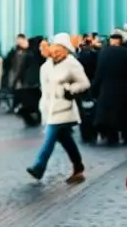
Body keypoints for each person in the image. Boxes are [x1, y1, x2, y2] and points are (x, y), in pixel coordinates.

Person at [27, 33, 91, 183]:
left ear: (66, 50)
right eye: (55, 48)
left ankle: (39, 167)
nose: (56, 52)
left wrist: (69, 89)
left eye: (60, 49)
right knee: (66, 139)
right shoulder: (46, 65)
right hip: (48, 108)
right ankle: (78, 166)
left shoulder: (72, 63)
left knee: (50, 136)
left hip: (64, 107)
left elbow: (84, 83)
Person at [91, 32, 127, 145]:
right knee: (126, 113)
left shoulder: (104, 53)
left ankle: (112, 138)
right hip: (126, 89)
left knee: (109, 115)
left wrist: (94, 88)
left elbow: (99, 72)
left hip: (107, 88)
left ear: (111, 41)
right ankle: (126, 136)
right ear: (121, 41)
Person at [15, 36, 45, 126]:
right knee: (36, 103)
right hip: (36, 83)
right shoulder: (39, 54)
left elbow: (22, 69)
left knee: (31, 103)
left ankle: (32, 120)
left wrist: (18, 80)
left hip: (29, 83)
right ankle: (36, 119)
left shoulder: (29, 53)